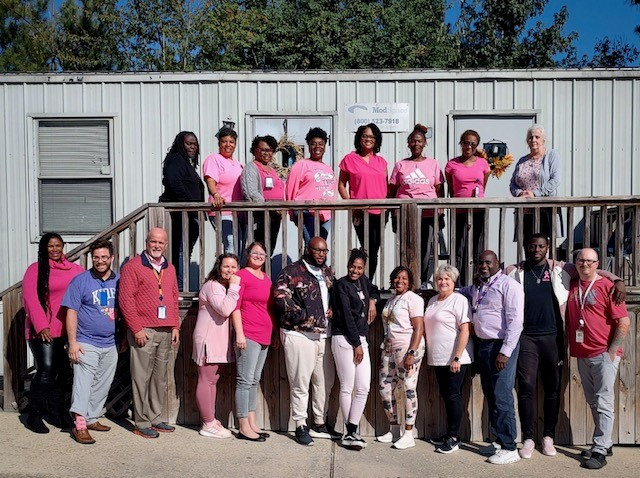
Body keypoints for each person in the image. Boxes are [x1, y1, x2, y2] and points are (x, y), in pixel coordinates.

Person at [505, 234, 626, 459]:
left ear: (548, 248)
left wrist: (618, 280)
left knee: (553, 388)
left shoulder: (562, 269)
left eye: (541, 246)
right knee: (526, 387)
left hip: (553, 337)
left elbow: (593, 269)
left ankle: (548, 437)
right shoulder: (515, 272)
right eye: (532, 246)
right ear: (525, 248)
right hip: (527, 337)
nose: (536, 250)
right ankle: (529, 438)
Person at [567, 248, 630, 470]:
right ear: (575, 262)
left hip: (603, 353)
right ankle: (605, 442)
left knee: (603, 401)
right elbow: (554, 263)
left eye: (590, 261)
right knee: (593, 401)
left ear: (598, 263)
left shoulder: (607, 286)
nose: (585, 264)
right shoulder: (573, 282)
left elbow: (624, 321)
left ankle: (600, 449)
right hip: (582, 353)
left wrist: (612, 351)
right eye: (581, 260)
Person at [459, 250, 523, 465]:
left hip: (501, 346)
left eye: (488, 262)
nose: (484, 266)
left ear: (498, 263)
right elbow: (461, 292)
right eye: (480, 262)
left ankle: (509, 447)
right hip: (484, 346)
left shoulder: (509, 285)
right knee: (491, 394)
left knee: (502, 395)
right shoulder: (479, 286)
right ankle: (498, 441)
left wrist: (505, 351)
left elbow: (515, 321)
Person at [273, 236, 337, 446]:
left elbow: (334, 295)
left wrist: (332, 309)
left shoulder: (327, 272)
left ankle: (319, 422)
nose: (321, 254)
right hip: (299, 334)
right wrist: (306, 316)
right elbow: (280, 299)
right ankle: (301, 424)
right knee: (300, 382)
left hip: (323, 334)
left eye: (324, 251)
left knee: (324, 381)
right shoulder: (291, 271)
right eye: (318, 250)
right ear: (307, 249)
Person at [119, 228, 180, 439]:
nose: (157, 245)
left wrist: (175, 326)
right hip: (144, 330)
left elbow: (173, 296)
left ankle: (155, 417)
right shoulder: (132, 267)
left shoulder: (169, 267)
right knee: (141, 378)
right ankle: (141, 421)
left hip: (165, 330)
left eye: (161, 242)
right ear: (147, 242)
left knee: (159, 378)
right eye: (153, 241)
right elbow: (125, 300)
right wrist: (136, 328)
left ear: (166, 245)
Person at [22, 233, 84, 433]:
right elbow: (30, 298)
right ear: (44, 248)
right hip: (43, 332)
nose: (55, 249)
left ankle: (59, 413)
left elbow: (85, 290)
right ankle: (34, 415)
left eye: (58, 245)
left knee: (63, 373)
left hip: (64, 330)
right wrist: (41, 326)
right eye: (50, 246)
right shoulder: (36, 269)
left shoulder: (74, 270)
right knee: (46, 370)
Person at [62, 240, 119, 445]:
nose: (100, 261)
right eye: (96, 257)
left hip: (110, 342)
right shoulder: (80, 281)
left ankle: (92, 418)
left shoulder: (119, 280)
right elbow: (71, 312)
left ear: (111, 258)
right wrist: (73, 342)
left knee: (102, 384)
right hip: (86, 341)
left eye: (104, 257)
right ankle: (79, 424)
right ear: (91, 258)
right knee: (83, 384)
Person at [331, 248, 379, 450]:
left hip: (360, 339)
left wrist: (372, 301)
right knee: (347, 386)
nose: (355, 271)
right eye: (353, 266)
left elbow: (375, 288)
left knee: (363, 387)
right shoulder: (341, 285)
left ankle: (352, 429)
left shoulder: (363, 281)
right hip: (344, 338)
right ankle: (349, 433)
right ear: (348, 264)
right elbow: (345, 317)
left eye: (359, 268)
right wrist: (357, 345)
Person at [423, 264, 473, 454]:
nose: (443, 282)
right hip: (438, 358)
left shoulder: (458, 300)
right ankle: (448, 433)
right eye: (439, 279)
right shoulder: (433, 301)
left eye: (447, 279)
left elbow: (465, 329)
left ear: (454, 281)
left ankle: (454, 437)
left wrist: (457, 357)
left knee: (453, 396)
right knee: (446, 395)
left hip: (455, 358)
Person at [388, 123, 445, 285]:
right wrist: (393, 215)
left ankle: (423, 281)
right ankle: (406, 280)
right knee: (406, 249)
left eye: (419, 141)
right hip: (405, 215)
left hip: (428, 214)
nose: (416, 144)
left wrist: (440, 212)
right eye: (413, 141)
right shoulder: (401, 165)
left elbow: (439, 189)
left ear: (425, 143)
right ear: (408, 144)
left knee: (426, 250)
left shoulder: (433, 164)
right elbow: (391, 191)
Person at [376, 266, 425, 450]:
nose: (400, 281)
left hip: (408, 349)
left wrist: (411, 353)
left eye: (404, 278)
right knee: (385, 388)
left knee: (409, 388)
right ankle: (394, 428)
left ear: (410, 281)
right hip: (389, 348)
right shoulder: (391, 300)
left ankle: (409, 433)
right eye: (397, 278)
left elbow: (419, 328)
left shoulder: (414, 299)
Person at [231, 242, 275, 442]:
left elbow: (269, 307)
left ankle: (252, 421)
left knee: (254, 380)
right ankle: (242, 426)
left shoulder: (266, 278)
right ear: (248, 254)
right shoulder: (240, 275)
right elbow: (235, 306)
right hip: (248, 333)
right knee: (244, 379)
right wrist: (239, 333)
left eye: (262, 254)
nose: (258, 256)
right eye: (255, 253)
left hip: (264, 334)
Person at [192, 253, 238, 439]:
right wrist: (234, 287)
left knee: (213, 381)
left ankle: (210, 420)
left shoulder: (222, 287)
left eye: (234, 267)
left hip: (217, 341)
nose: (230, 270)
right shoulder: (213, 286)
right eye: (226, 266)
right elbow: (225, 309)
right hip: (208, 342)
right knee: (206, 380)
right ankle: (207, 423)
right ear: (219, 267)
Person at [338, 123, 388, 278]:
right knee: (367, 249)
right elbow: (341, 185)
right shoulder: (349, 159)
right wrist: (351, 206)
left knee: (374, 250)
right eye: (365, 136)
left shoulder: (382, 162)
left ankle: (367, 282)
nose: (368, 139)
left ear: (377, 140)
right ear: (359, 138)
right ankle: (361, 281)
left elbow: (385, 186)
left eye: (372, 136)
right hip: (360, 212)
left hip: (380, 212)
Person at [159, 131, 205, 290]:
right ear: (180, 144)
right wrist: (191, 204)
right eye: (189, 143)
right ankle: (178, 287)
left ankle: (179, 285)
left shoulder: (186, 163)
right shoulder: (175, 160)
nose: (193, 147)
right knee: (180, 251)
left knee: (184, 251)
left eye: (195, 144)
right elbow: (174, 183)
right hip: (179, 215)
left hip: (189, 215)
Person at [445, 130, 490, 285]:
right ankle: (457, 284)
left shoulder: (483, 163)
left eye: (473, 144)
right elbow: (451, 188)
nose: (469, 147)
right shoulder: (452, 164)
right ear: (461, 143)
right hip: (459, 211)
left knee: (477, 247)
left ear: (476, 146)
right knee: (459, 248)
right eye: (466, 143)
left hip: (478, 211)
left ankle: (477, 281)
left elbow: (483, 184)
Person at [509, 124, 561, 242]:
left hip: (545, 211)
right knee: (527, 247)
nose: (533, 140)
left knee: (543, 248)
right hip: (525, 212)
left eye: (537, 137)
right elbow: (512, 183)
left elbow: (555, 180)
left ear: (543, 140)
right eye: (530, 137)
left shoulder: (551, 156)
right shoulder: (522, 160)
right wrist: (520, 194)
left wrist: (534, 194)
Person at [285, 127, 337, 244]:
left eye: (321, 144)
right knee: (312, 245)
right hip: (305, 212)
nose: (317, 147)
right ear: (308, 145)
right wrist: (293, 212)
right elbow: (290, 190)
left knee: (320, 247)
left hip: (325, 214)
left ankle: (310, 263)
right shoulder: (301, 165)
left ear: (325, 146)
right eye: (313, 144)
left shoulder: (328, 168)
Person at [202, 126, 245, 254]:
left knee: (240, 245)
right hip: (222, 211)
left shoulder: (238, 164)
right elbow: (210, 180)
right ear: (219, 143)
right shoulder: (213, 159)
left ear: (235, 144)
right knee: (231, 244)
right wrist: (215, 195)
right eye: (224, 141)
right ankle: (227, 273)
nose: (228, 145)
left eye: (231, 142)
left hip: (237, 213)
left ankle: (234, 272)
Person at [241, 136, 284, 251]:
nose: (267, 153)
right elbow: (251, 193)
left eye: (270, 150)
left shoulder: (271, 169)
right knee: (259, 249)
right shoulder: (251, 167)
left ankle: (265, 269)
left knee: (269, 249)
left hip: (274, 216)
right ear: (255, 150)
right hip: (260, 215)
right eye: (263, 150)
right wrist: (269, 208)